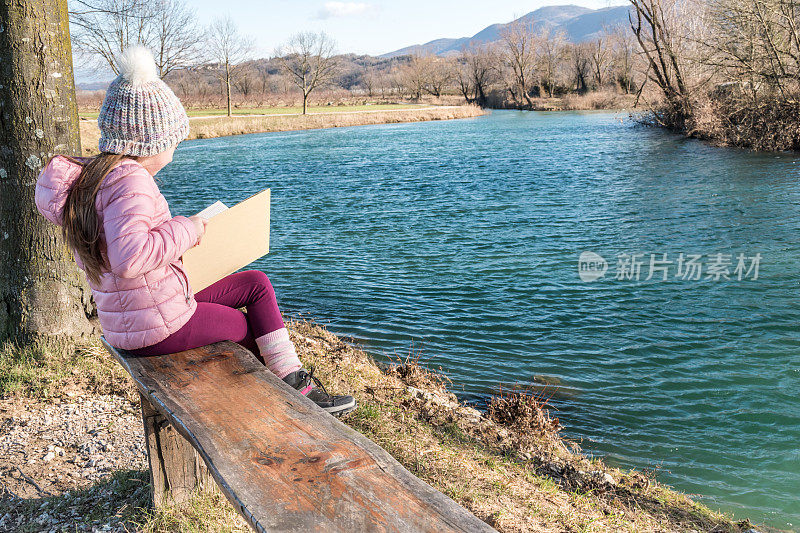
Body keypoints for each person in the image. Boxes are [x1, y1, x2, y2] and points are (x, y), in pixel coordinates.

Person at [34, 46, 355, 417]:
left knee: (256, 283)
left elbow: (124, 249)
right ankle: (280, 409)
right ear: (152, 141)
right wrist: (188, 228)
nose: (175, 148)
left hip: (138, 318)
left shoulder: (97, 181)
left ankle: (294, 385)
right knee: (243, 329)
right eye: (174, 140)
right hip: (156, 328)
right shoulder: (131, 181)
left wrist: (181, 238)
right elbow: (130, 257)